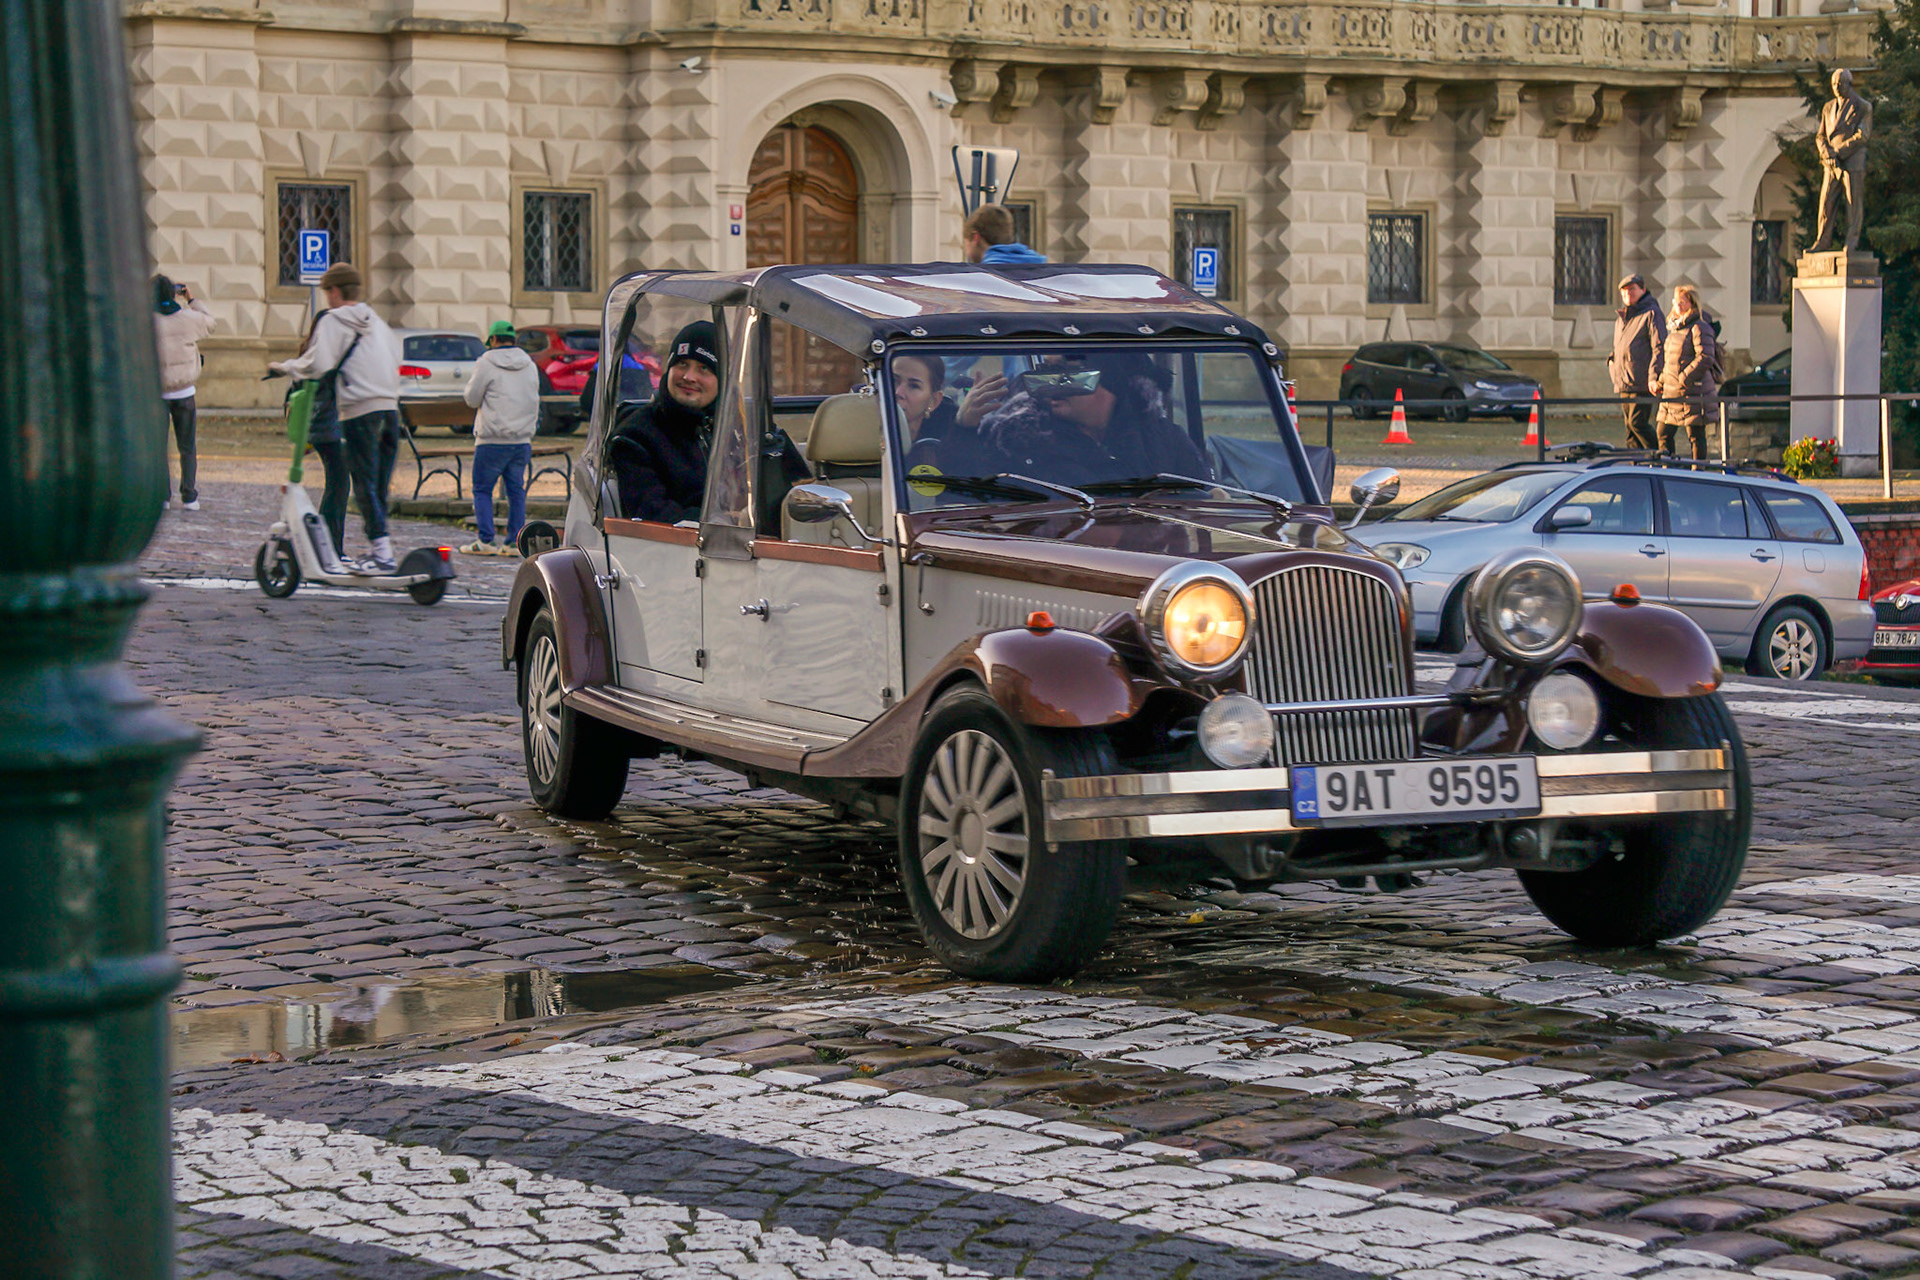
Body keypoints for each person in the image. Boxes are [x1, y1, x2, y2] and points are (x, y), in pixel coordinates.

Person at [269, 263, 404, 572]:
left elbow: (317, 363)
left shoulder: (334, 319)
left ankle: (382, 554)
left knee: (364, 483)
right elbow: (397, 356)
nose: (326, 297)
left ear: (334, 290)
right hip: (390, 408)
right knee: (378, 482)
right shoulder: (376, 321)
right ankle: (381, 548)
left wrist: (283, 367)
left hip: (359, 409)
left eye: (327, 291)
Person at [971, 352, 1207, 485]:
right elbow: (968, 498)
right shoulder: (1017, 438)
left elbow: (1203, 496)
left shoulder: (1163, 439)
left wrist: (1209, 498)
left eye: (1070, 373)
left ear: (1111, 383)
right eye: (1047, 371)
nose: (1053, 385)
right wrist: (964, 429)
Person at [461, 320, 541, 555]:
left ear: (493, 340)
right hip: (521, 441)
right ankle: (514, 542)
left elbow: (472, 399)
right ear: (514, 340)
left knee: (482, 489)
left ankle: (486, 541)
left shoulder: (486, 362)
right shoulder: (529, 363)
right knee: (516, 491)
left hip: (492, 439)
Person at [290, 307, 352, 561]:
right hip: (328, 427)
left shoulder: (312, 351)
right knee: (338, 486)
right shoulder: (325, 356)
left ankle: (328, 547)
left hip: (321, 426)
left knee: (337, 485)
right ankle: (328, 548)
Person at [153, 274, 216, 511]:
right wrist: (191, 298)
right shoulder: (189, 319)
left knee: (158, 448)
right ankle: (189, 496)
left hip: (157, 395)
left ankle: (163, 496)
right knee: (187, 447)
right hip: (185, 392)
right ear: (173, 293)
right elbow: (210, 322)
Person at [1655, 284, 1721, 461]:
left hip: (1692, 391)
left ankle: (1698, 473)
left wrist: (1684, 377)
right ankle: (1668, 471)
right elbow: (1670, 361)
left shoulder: (1699, 327)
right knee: (1663, 432)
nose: (1679, 305)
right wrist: (1661, 381)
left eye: (1683, 302)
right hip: (1671, 393)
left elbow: (1706, 357)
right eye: (1677, 301)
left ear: (1692, 304)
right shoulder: (1674, 328)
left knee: (1695, 435)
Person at [1609, 273, 1666, 452]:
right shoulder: (1622, 318)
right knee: (1630, 430)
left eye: (1632, 290)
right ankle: (1636, 465)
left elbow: (1659, 347)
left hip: (1642, 381)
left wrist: (1654, 377)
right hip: (1624, 381)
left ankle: (1658, 456)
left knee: (1637, 423)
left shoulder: (1651, 313)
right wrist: (1612, 365)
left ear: (1642, 289)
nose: (1628, 295)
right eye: (1624, 292)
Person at [962, 204, 1046, 266]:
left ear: (975, 237)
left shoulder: (984, 277)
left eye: (966, 243)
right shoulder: (1041, 268)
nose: (966, 251)